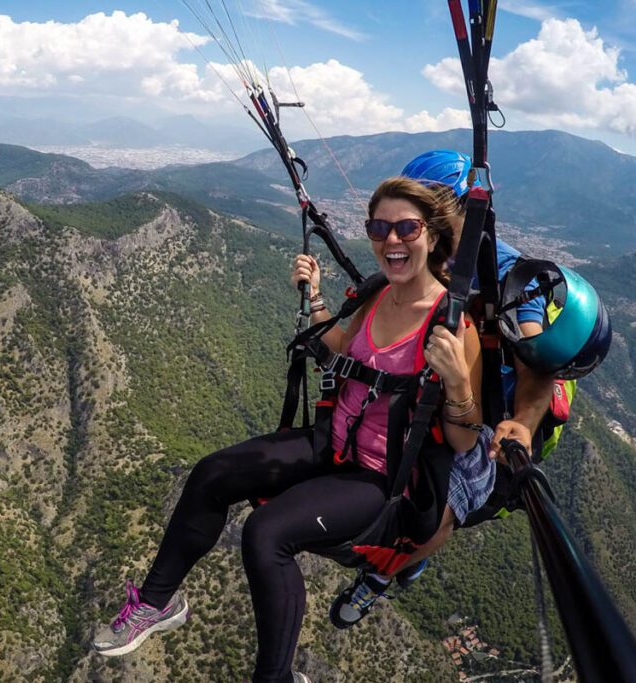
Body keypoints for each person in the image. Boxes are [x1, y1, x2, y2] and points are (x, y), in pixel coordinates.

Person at [92, 176, 484, 683]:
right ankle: (155, 605)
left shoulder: (453, 326)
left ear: (431, 236)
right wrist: (317, 297)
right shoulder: (375, 295)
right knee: (212, 473)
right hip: (331, 446)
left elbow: (465, 440)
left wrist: (456, 382)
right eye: (379, 227)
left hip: (382, 481)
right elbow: (342, 347)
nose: (391, 240)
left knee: (266, 532)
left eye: (405, 227)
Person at [328, 150, 558, 629]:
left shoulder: (505, 274)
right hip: (426, 390)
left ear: (461, 208)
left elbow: (536, 366)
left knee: (440, 506)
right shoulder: (428, 256)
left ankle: (384, 575)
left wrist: (523, 422)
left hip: (485, 408)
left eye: (429, 209)